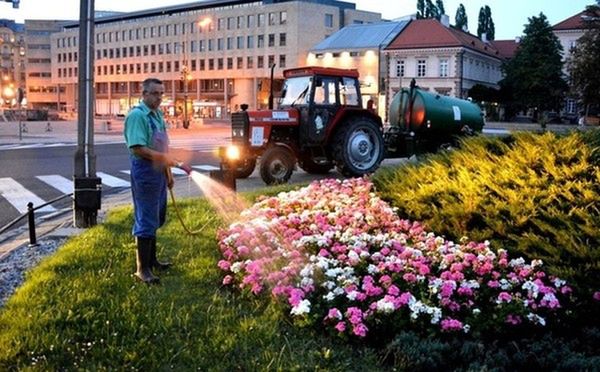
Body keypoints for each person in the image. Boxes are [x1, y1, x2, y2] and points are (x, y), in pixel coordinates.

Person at [124, 78, 192, 284]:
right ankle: (142, 269)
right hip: (145, 173)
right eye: (155, 93)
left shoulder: (157, 116)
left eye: (162, 93)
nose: (159, 98)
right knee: (146, 218)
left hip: (159, 173)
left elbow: (164, 148)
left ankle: (152, 260)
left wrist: (168, 173)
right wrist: (165, 160)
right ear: (143, 94)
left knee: (157, 216)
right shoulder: (137, 116)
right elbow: (138, 148)